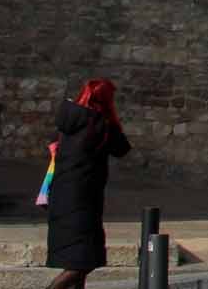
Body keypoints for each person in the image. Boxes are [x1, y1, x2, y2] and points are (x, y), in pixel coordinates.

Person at [44, 79, 130, 289]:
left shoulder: (69, 121)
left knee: (79, 260)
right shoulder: (100, 124)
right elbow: (122, 148)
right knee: (84, 261)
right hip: (81, 200)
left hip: (61, 196)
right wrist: (113, 119)